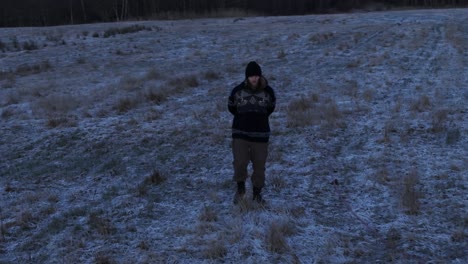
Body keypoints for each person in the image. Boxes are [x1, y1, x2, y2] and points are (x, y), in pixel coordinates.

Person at [227, 61, 276, 204]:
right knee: (240, 163)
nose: (254, 78)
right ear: (246, 77)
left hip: (261, 136)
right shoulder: (237, 91)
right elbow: (231, 108)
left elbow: (270, 108)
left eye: (256, 75)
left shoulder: (269, 92)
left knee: (259, 166)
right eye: (251, 76)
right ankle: (240, 190)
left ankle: (257, 193)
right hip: (240, 134)